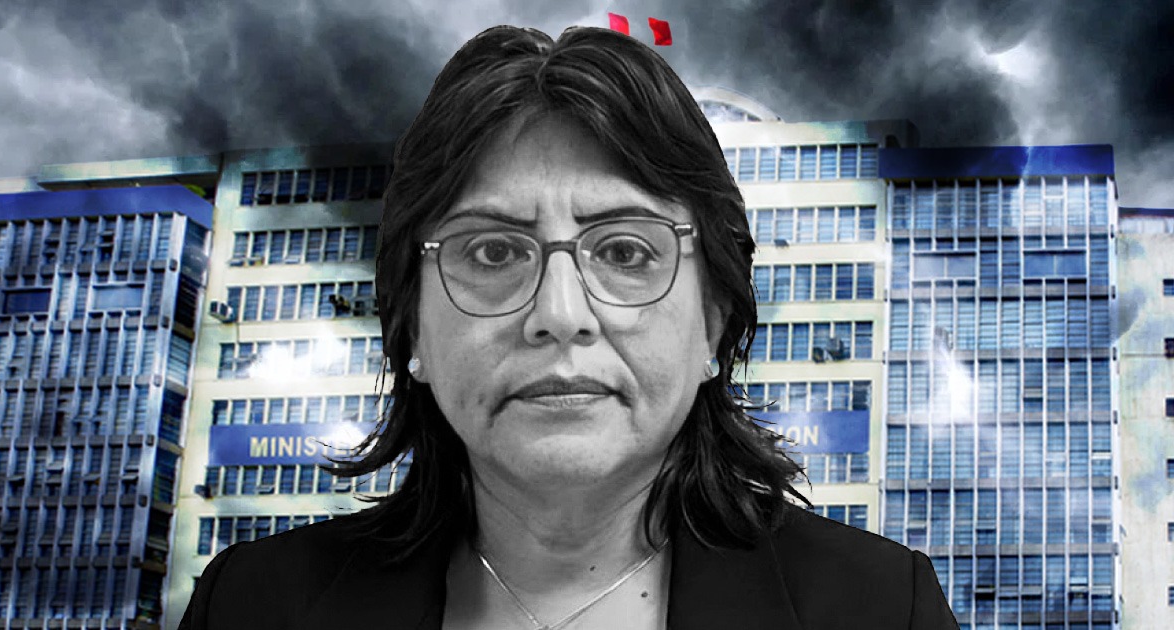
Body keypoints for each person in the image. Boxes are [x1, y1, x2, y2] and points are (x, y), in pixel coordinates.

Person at [178, 25, 958, 630]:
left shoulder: (882, 608)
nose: (559, 315)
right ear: (410, 325)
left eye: (624, 252)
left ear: (714, 325)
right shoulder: (253, 605)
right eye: (492, 252)